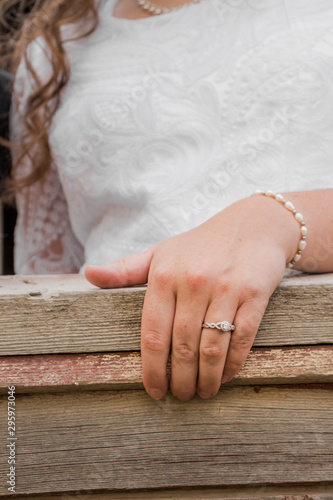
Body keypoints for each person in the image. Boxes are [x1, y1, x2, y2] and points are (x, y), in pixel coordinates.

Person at [2, 0, 333, 401]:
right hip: (115, 391)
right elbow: (48, 269)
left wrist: (278, 221)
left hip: (313, 373)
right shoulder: (56, 48)